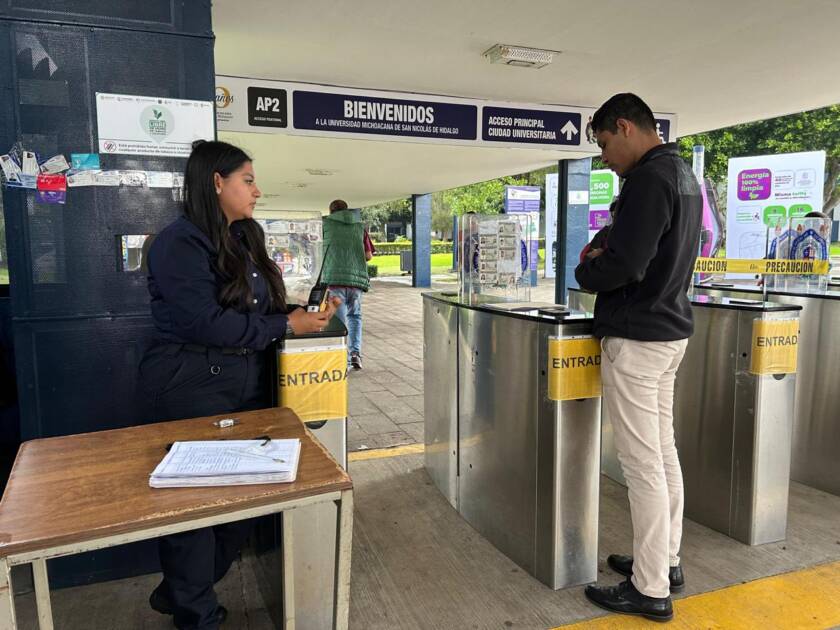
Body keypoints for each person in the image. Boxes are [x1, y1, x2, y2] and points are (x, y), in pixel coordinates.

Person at [139, 140, 338, 630]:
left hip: (247, 386)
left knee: (243, 503)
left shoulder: (244, 237)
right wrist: (285, 326)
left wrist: (302, 318)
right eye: (248, 180)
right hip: (191, 385)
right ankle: (196, 614)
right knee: (195, 507)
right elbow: (204, 323)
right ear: (216, 182)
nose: (257, 190)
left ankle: (180, 590)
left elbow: (257, 313)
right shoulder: (178, 243)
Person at [574, 93, 702, 623]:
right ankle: (664, 560)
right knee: (663, 453)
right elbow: (647, 242)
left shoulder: (649, 179)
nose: (604, 157)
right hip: (670, 332)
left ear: (625, 127)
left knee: (642, 463)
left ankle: (649, 589)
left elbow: (627, 264)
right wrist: (610, 240)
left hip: (637, 334)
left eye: (604, 144)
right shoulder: (683, 175)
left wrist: (586, 273)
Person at [322, 199, 373, 370]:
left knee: (338, 320)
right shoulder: (360, 228)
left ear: (331, 212)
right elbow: (368, 256)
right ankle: (355, 354)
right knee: (355, 317)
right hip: (356, 282)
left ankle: (340, 358)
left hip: (334, 280)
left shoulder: (325, 225)